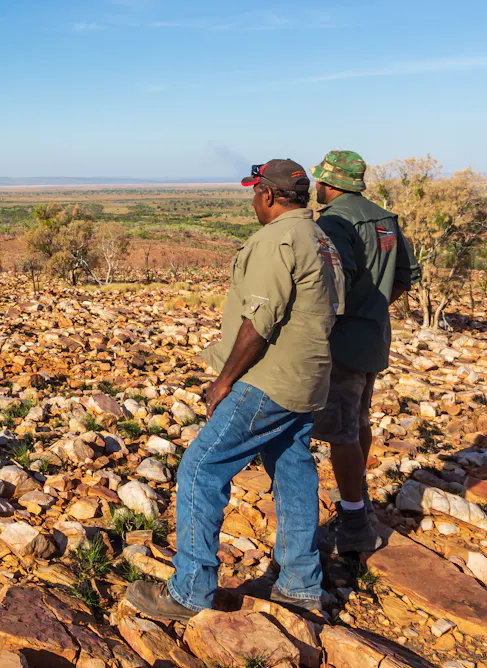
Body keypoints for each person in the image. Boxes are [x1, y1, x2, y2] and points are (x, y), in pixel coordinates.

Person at [127, 159, 344, 620]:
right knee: (293, 472)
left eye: (254, 193)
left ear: (267, 194)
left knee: (201, 470)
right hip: (309, 378)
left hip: (268, 379)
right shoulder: (321, 239)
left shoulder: (275, 239)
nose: (252, 201)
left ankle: (189, 592)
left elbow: (259, 321)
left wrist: (222, 381)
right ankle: (300, 585)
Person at [309, 150, 421, 555]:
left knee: (340, 430)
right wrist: (375, 307)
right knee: (358, 422)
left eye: (319, 179)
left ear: (330, 182)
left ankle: (354, 520)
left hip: (342, 341)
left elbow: (334, 280)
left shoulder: (336, 221)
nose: (315, 186)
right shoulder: (384, 218)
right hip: (373, 337)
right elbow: (407, 276)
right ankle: (356, 499)